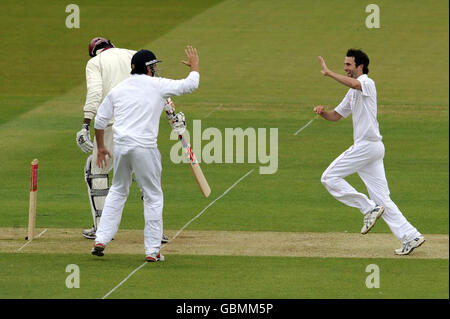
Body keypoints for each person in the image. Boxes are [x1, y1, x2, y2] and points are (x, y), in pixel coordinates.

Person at [91, 46, 199, 261]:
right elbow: (190, 85)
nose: (156, 70)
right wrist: (194, 67)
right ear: (149, 68)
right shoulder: (158, 85)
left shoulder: (119, 89)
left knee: (118, 190)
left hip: (121, 147)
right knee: (153, 196)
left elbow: (100, 121)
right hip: (144, 148)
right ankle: (152, 251)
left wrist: (102, 147)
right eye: (154, 66)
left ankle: (101, 238)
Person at [314, 49, 425, 255]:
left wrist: (329, 74)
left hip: (366, 146)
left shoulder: (367, 83)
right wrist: (323, 113)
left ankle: (367, 208)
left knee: (329, 177)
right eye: (345, 64)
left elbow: (356, 84)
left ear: (360, 66)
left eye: (349, 65)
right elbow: (336, 116)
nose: (345, 68)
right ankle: (411, 236)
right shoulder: (352, 92)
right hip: (372, 150)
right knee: (383, 199)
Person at [75, 37, 170, 243]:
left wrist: (85, 124)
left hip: (111, 124)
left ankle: (101, 229)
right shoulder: (133, 55)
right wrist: (171, 113)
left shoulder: (95, 63)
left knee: (97, 170)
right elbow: (157, 85)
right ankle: (157, 233)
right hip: (140, 124)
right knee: (148, 178)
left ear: (94, 52)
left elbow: (95, 92)